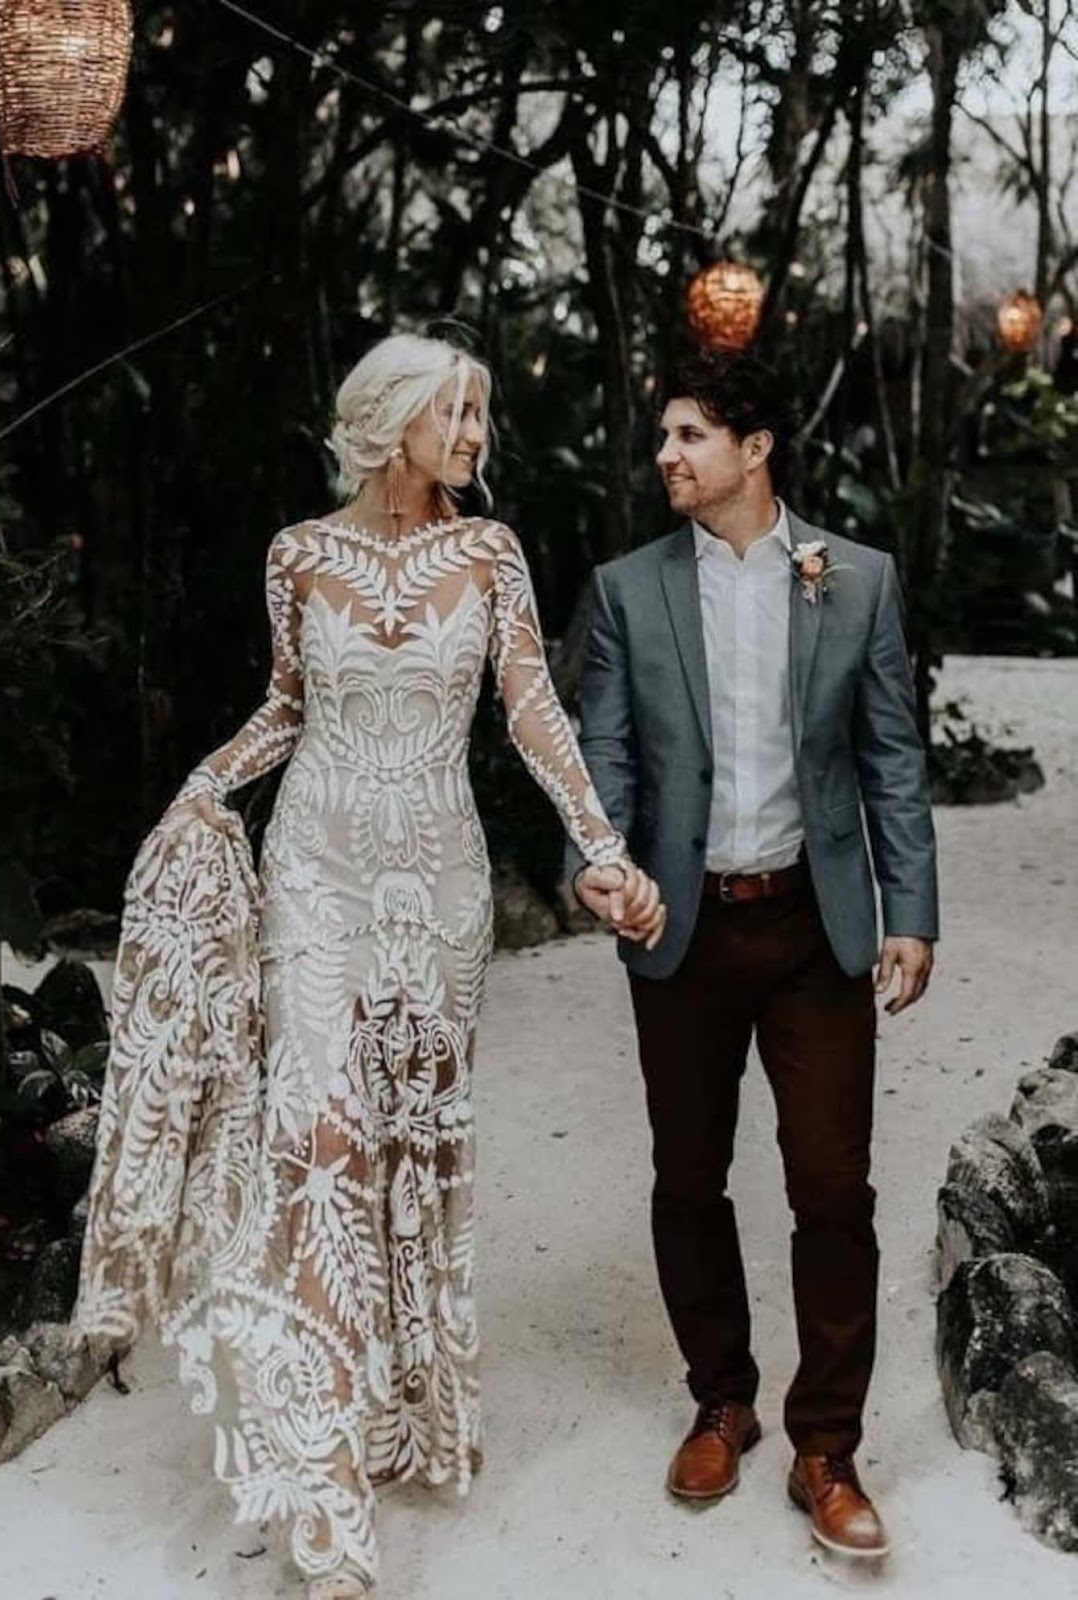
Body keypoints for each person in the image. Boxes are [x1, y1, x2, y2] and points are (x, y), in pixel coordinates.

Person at [73, 332, 665, 1599]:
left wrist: (602, 851)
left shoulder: (490, 554)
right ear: (395, 419)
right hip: (319, 876)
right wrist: (201, 786)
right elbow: (288, 705)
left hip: (439, 893)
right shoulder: (298, 555)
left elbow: (530, 711)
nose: (476, 436)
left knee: (412, 1143)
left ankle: (401, 1409)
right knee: (320, 1142)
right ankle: (325, 1485)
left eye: (481, 416)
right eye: (460, 413)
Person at [566, 348, 938, 1560]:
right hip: (681, 927)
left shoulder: (859, 580)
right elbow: (604, 755)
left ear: (756, 446)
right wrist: (600, 861)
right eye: (663, 437)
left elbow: (891, 755)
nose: (665, 456)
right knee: (689, 1175)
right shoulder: (626, 590)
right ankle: (720, 1398)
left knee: (834, 1185)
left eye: (688, 435)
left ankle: (827, 1445)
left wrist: (910, 910)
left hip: (813, 929)